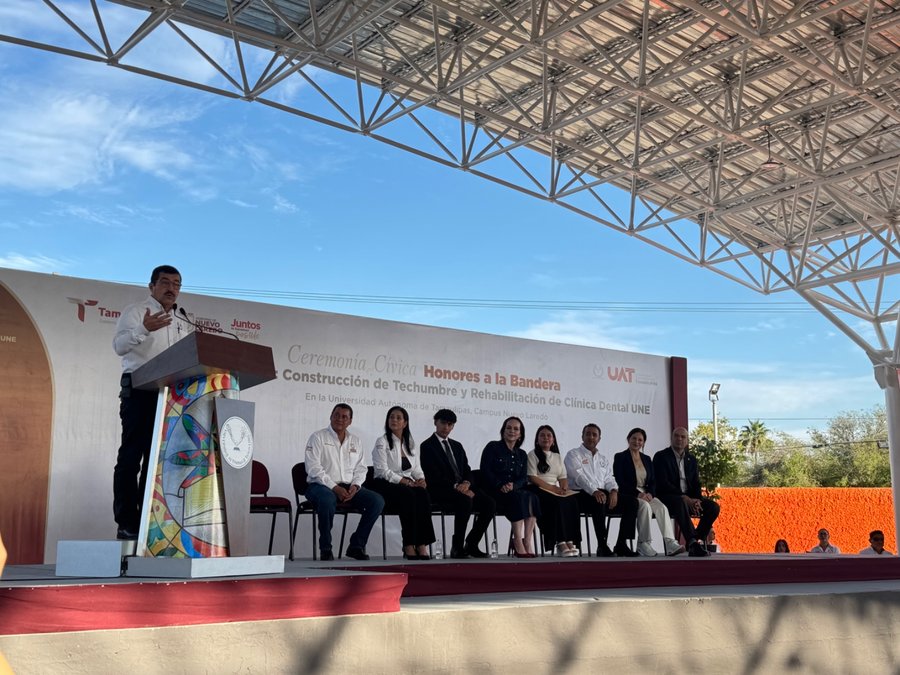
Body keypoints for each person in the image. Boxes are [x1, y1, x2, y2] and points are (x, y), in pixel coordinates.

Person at [112, 264, 188, 540]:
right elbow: (120, 346)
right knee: (131, 457)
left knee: (157, 462)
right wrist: (144, 328)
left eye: (176, 284)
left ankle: (148, 520)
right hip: (140, 391)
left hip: (170, 395)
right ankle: (127, 522)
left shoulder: (182, 319)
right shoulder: (136, 311)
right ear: (152, 286)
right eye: (165, 282)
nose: (171, 288)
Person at [304, 403, 385, 560]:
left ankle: (356, 546)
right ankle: (325, 548)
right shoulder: (318, 437)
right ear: (330, 416)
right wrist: (334, 487)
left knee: (377, 501)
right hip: (320, 486)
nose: (340, 419)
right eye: (336, 415)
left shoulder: (356, 441)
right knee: (327, 500)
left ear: (350, 421)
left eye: (344, 417)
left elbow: (361, 468)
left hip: (348, 487)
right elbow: (313, 468)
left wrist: (356, 486)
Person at [420, 409, 495, 558]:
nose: (446, 427)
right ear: (435, 422)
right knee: (465, 500)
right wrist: (457, 487)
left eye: (450, 424)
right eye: (443, 423)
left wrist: (466, 483)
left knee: (489, 503)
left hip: (462, 488)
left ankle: (472, 543)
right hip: (440, 489)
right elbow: (432, 474)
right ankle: (457, 546)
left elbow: (467, 470)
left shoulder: (457, 446)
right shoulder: (427, 446)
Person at [370, 406, 435, 560]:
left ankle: (422, 543)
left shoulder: (410, 443)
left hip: (404, 483)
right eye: (391, 417)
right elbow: (382, 470)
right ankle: (408, 544)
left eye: (398, 418)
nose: (394, 420)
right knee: (408, 495)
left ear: (405, 423)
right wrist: (404, 481)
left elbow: (416, 468)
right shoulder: (382, 441)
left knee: (422, 494)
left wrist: (421, 479)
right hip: (384, 483)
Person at [612, 428, 685, 557]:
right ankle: (643, 543)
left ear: (643, 442)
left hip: (646, 494)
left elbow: (652, 481)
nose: (637, 442)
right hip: (630, 495)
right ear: (628, 439)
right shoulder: (620, 457)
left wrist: (651, 493)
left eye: (640, 440)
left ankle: (670, 543)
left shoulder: (646, 458)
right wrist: (638, 494)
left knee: (661, 507)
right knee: (645, 506)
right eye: (634, 438)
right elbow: (620, 481)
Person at [653, 427, 721, 557]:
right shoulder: (661, 456)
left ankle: (696, 540)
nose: (679, 439)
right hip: (668, 498)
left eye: (683, 437)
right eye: (676, 436)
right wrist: (683, 497)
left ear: (687, 441)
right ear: (671, 438)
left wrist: (697, 500)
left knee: (713, 507)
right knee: (680, 501)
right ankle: (692, 542)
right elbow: (662, 483)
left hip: (689, 499)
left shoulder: (691, 459)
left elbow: (696, 483)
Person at [480, 416, 540, 557]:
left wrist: (514, 485)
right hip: (495, 491)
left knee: (533, 497)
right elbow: (485, 471)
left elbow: (523, 478)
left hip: (514, 490)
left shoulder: (522, 454)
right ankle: (517, 540)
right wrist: (500, 484)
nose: (512, 431)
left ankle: (527, 541)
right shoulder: (492, 447)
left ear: (520, 434)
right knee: (518, 498)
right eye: (508, 428)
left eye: (516, 429)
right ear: (503, 430)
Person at [563, 423, 619, 557]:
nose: (591, 437)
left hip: (601, 493)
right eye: (588, 434)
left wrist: (613, 490)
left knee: (632, 504)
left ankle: (621, 544)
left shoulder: (603, 458)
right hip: (579, 494)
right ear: (582, 436)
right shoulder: (573, 454)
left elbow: (609, 478)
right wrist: (594, 491)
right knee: (598, 501)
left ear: (599, 438)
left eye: (594, 435)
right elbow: (578, 477)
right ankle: (602, 545)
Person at [527, 425, 580, 557]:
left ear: (553, 440)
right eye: (542, 435)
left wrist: (563, 488)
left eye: (549, 435)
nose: (546, 438)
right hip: (538, 489)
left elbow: (563, 477)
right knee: (555, 502)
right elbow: (532, 477)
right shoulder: (532, 454)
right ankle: (560, 542)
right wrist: (553, 489)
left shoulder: (557, 456)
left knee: (572, 501)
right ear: (537, 439)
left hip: (554, 490)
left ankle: (569, 540)